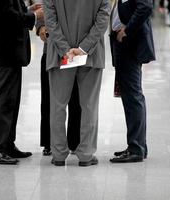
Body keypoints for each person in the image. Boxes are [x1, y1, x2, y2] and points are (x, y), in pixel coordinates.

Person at [44, 0, 110, 167]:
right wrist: (83, 48)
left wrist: (66, 50)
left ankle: (58, 154)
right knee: (89, 106)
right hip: (92, 55)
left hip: (61, 56)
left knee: (58, 106)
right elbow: (103, 19)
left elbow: (50, 20)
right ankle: (86, 154)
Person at [0, 0, 43, 165]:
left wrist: (27, 9)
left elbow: (10, 8)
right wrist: (33, 16)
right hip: (5, 47)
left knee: (12, 99)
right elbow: (6, 16)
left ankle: (7, 143)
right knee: (5, 99)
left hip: (10, 48)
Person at [109, 0, 155, 163]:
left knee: (133, 97)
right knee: (130, 97)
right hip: (122, 44)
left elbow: (146, 6)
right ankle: (138, 145)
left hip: (129, 44)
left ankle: (136, 148)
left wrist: (128, 29)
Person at [35, 11, 81, 156]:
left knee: (76, 98)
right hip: (51, 51)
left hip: (75, 49)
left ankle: (75, 141)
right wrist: (40, 27)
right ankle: (50, 142)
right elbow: (42, 8)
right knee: (49, 98)